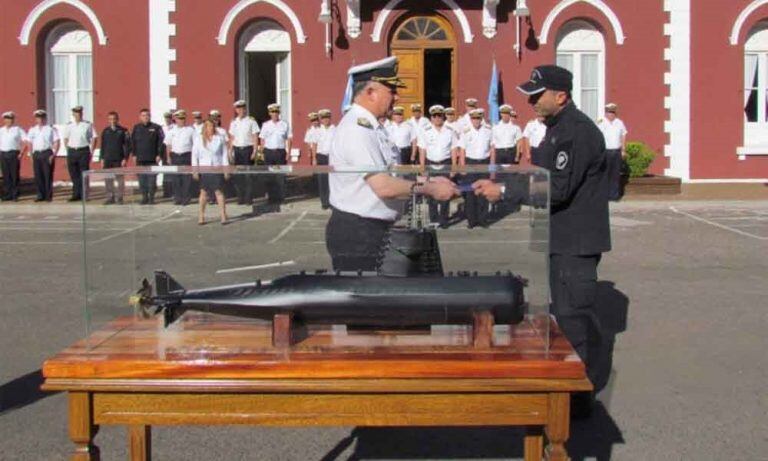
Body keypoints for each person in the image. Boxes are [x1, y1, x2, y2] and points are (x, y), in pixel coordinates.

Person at [474, 66, 611, 411]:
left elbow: (558, 189)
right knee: (562, 316)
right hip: (559, 237)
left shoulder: (576, 133)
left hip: (574, 243)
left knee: (571, 319)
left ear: (561, 96)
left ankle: (577, 402)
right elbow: (540, 176)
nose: (531, 101)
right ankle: (568, 391)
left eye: (538, 95)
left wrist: (503, 190)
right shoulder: (556, 129)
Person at [327, 56, 458, 271]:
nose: (397, 97)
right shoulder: (357, 129)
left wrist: (426, 179)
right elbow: (384, 187)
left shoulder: (374, 127)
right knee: (370, 300)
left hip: (372, 229)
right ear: (370, 92)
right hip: (359, 232)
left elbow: (391, 177)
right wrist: (430, 188)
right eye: (391, 90)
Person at [418, 104, 459, 228]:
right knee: (431, 193)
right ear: (431, 118)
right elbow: (422, 150)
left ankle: (444, 219)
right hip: (431, 164)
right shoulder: (425, 131)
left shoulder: (450, 131)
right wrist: (422, 168)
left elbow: (454, 150)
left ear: (443, 117)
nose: (437, 118)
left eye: (439, 116)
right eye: (434, 116)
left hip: (445, 164)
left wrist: (454, 167)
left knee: (446, 192)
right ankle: (433, 218)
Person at [459, 108, 494, 228]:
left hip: (484, 163)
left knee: (483, 192)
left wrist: (492, 166)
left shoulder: (488, 130)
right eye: (474, 118)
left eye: (478, 118)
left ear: (481, 119)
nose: (476, 121)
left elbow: (492, 148)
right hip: (470, 163)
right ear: (470, 119)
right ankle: (471, 221)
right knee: (470, 193)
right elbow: (462, 150)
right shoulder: (466, 131)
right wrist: (462, 166)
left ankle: (483, 219)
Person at [192, 118, 229, 225]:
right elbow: (194, 156)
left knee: (219, 192)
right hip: (204, 168)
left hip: (217, 168)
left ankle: (223, 215)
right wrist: (195, 170)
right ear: (205, 127)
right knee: (203, 192)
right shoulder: (198, 139)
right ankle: (201, 216)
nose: (211, 128)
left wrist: (226, 170)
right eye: (208, 126)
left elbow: (224, 155)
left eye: (212, 126)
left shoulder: (220, 138)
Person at [259, 103, 292, 210]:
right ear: (269, 113)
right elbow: (262, 139)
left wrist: (288, 152)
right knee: (269, 176)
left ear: (279, 113)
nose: (275, 114)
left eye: (276, 112)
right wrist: (262, 153)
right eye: (272, 112)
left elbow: (289, 139)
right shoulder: (265, 125)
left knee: (280, 176)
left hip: (280, 152)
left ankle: (281, 197)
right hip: (269, 152)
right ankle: (271, 198)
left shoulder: (285, 124)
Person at [229, 100, 260, 204]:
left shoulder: (251, 121)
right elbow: (232, 138)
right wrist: (230, 151)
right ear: (236, 110)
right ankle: (240, 197)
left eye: (242, 108)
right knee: (238, 176)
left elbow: (255, 136)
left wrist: (255, 151)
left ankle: (248, 198)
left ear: (245, 109)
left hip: (248, 150)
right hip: (237, 150)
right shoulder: (234, 122)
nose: (240, 110)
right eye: (238, 109)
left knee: (248, 176)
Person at [131, 108, 165, 204]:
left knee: (151, 180)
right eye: (143, 115)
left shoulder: (156, 127)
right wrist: (134, 154)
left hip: (152, 158)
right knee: (142, 180)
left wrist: (159, 154)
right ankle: (144, 197)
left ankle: (151, 198)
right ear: (140, 117)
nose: (145, 117)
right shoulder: (136, 128)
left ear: (150, 116)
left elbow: (161, 142)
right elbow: (133, 142)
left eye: (147, 115)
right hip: (140, 158)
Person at [62, 106, 96, 202]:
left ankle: (84, 195)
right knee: (74, 174)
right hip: (72, 151)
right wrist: (68, 149)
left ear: (82, 114)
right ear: (73, 114)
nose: (78, 115)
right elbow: (65, 138)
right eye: (76, 113)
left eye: (80, 113)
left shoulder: (87, 125)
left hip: (83, 151)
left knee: (84, 174)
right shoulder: (69, 125)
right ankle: (76, 194)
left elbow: (94, 137)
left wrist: (91, 150)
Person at [27, 110, 59, 202]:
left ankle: (48, 196)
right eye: (38, 118)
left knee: (47, 175)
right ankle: (40, 195)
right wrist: (31, 155)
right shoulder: (32, 129)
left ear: (45, 119)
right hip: (36, 153)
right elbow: (29, 143)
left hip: (47, 153)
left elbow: (56, 142)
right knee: (38, 176)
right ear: (35, 119)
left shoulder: (50, 129)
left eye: (42, 118)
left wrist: (54, 154)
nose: (40, 120)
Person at [98, 111, 130, 204]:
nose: (112, 121)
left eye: (114, 119)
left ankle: (119, 198)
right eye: (110, 119)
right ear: (108, 120)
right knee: (108, 180)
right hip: (108, 159)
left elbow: (128, 146)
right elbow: (103, 145)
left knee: (119, 179)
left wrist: (125, 158)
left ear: (117, 119)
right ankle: (110, 198)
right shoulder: (105, 131)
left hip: (118, 159)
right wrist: (102, 158)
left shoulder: (123, 131)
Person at [597, 103, 628, 201]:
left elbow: (623, 135)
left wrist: (623, 150)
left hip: (616, 151)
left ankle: (614, 196)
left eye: (613, 112)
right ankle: (604, 195)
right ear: (606, 113)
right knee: (605, 173)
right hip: (605, 151)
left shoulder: (619, 122)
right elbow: (597, 136)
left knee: (615, 174)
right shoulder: (601, 122)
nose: (611, 114)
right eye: (609, 112)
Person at [165, 109, 196, 205]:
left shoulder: (190, 130)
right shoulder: (171, 131)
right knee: (176, 178)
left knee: (186, 178)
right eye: (179, 118)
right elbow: (168, 145)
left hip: (186, 155)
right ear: (175, 119)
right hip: (175, 156)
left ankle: (186, 198)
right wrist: (168, 157)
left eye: (183, 118)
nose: (181, 120)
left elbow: (195, 144)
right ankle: (177, 198)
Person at [0, 112, 28, 201]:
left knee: (14, 174)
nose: (9, 121)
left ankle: (15, 194)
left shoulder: (18, 129)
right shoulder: (1, 130)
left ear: (13, 120)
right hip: (3, 154)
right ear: (4, 120)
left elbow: (26, 141)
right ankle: (7, 194)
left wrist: (21, 153)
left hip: (14, 153)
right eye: (7, 119)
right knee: (6, 175)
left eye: (11, 119)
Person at [314, 109, 335, 209]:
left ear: (330, 118)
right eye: (323, 118)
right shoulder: (318, 130)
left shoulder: (335, 129)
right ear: (321, 120)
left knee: (332, 180)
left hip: (332, 157)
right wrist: (314, 158)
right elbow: (314, 144)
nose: (325, 120)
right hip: (321, 156)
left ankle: (332, 201)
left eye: (327, 118)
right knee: (322, 180)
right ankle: (324, 202)